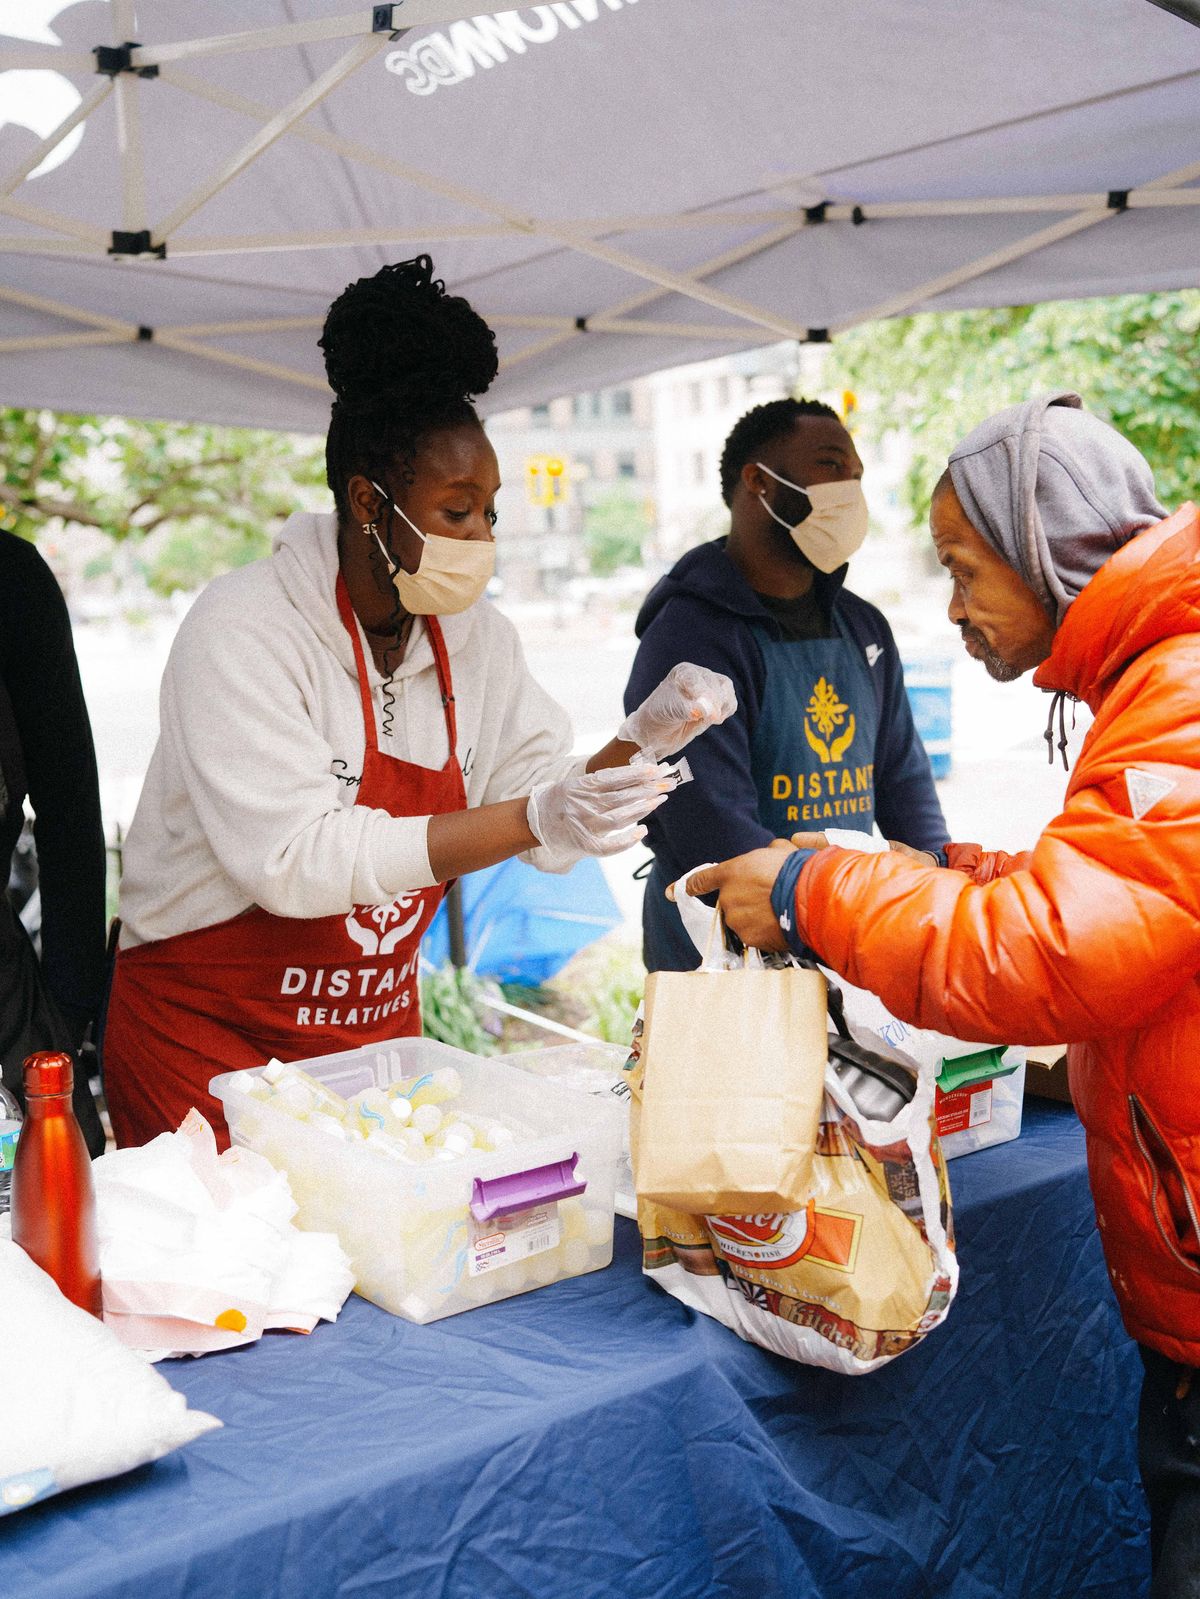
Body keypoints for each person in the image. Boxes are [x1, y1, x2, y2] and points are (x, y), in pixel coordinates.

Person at [687, 392, 1200, 1598]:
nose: (954, 604)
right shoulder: (1160, 675)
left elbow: (1054, 956)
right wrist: (957, 872)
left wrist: (818, 889)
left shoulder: (1181, 692)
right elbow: (1129, 900)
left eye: (968, 570)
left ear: (1049, 552)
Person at [102, 256, 733, 1148]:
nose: (484, 539)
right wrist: (537, 814)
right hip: (204, 1052)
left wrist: (643, 737)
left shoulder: (478, 639)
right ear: (368, 501)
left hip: (369, 1052)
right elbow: (296, 859)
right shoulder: (243, 628)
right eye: (457, 511)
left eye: (491, 513)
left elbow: (545, 807)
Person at [623, 397, 946, 971]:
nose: (850, 488)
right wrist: (832, 902)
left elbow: (903, 782)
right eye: (830, 466)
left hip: (842, 929)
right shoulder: (689, 639)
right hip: (721, 953)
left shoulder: (863, 626)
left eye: (857, 476)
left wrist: (936, 889)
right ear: (759, 483)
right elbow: (715, 831)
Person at [0, 529, 106, 1155]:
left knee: (57, 1202)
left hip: (6, 993)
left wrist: (69, 1006)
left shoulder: (10, 578)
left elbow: (69, 802)